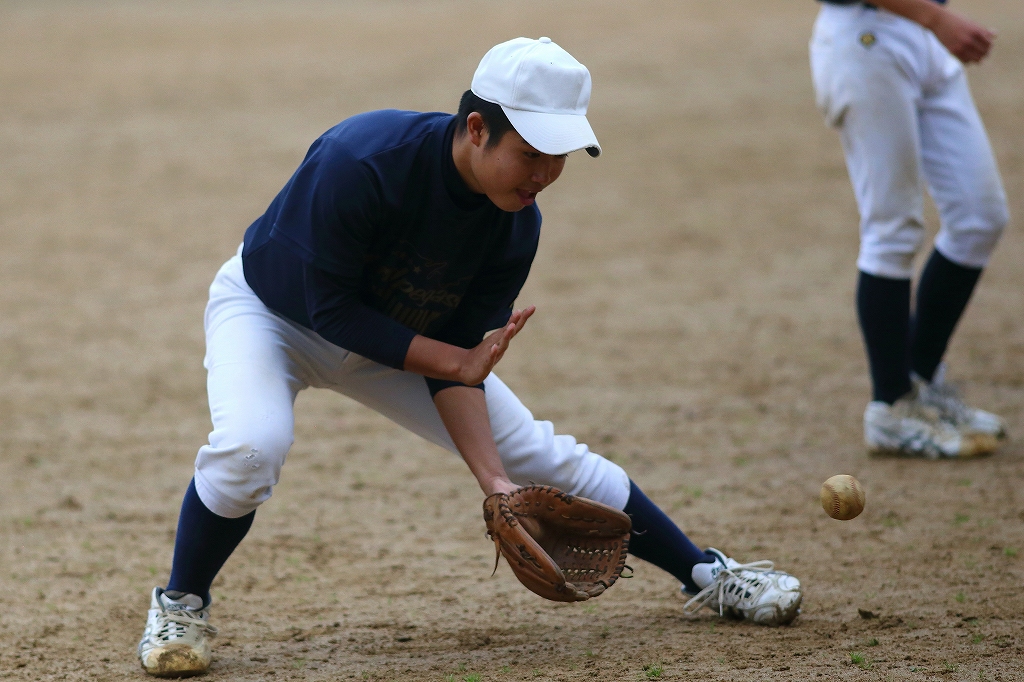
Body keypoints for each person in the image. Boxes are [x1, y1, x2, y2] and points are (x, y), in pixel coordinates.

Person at [136, 37, 802, 678]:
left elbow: (466, 361)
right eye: (533, 151)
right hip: (274, 318)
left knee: (540, 457)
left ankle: (706, 573)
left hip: (400, 341)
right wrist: (452, 363)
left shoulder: (516, 221)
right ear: (477, 128)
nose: (545, 173)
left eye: (562, 155)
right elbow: (335, 314)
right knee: (251, 448)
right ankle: (181, 604)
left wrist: (494, 481)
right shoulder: (361, 160)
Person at [809, 0, 1010, 458]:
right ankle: (891, 406)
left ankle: (918, 382)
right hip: (868, 37)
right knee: (892, 230)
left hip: (923, 35)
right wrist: (938, 19)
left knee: (980, 218)